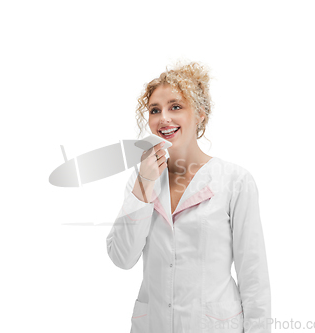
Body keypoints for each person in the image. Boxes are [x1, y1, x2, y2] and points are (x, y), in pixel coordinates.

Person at [106, 61, 271, 333]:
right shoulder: (142, 180)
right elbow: (122, 258)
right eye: (155, 110)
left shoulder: (235, 180)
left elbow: (253, 275)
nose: (163, 119)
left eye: (176, 107)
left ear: (201, 114)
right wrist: (144, 183)